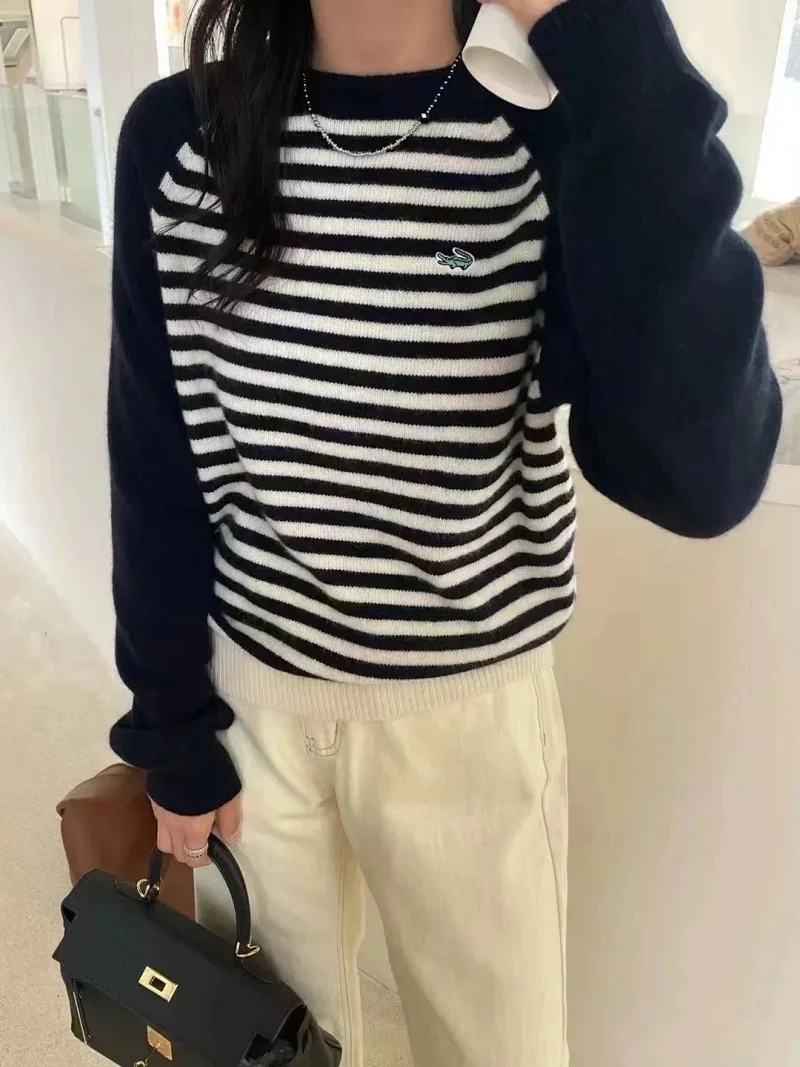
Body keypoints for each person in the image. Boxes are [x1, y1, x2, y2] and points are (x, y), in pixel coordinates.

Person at [107, 0, 782, 1064]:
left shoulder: (548, 135)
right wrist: (169, 726)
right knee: (257, 1044)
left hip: (470, 714)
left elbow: (702, 477)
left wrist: (598, 36)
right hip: (251, 709)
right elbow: (156, 462)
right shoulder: (180, 138)